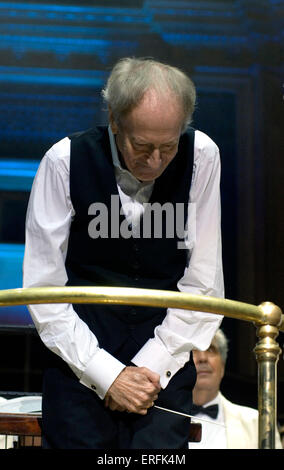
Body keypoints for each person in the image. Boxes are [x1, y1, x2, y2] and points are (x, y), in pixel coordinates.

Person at [23, 57, 224, 449]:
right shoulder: (63, 162)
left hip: (163, 370)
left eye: (168, 147)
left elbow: (204, 282)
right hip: (78, 366)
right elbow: (43, 291)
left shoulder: (202, 156)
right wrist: (107, 374)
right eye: (142, 146)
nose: (155, 161)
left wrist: (148, 367)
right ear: (114, 120)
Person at [189, 329, 282, 449]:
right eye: (194, 351)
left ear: (222, 366)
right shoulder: (161, 421)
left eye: (210, 349)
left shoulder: (258, 423)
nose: (202, 358)